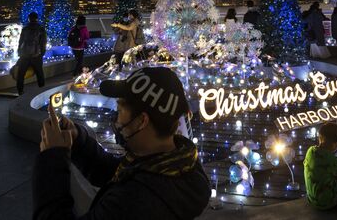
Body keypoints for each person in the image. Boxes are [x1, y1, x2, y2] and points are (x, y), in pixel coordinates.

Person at [33, 67, 211, 219]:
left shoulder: (135, 200)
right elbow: (115, 171)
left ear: (142, 121)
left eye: (119, 110)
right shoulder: (177, 164)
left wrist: (52, 160)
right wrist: (78, 140)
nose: (116, 119)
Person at [16, 12, 47, 95]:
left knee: (21, 74)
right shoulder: (41, 29)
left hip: (25, 54)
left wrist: (19, 52)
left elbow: (21, 41)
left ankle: (20, 91)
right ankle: (42, 91)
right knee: (39, 73)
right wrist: (42, 53)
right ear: (37, 18)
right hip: (36, 55)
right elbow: (43, 43)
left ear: (29, 18)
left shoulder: (25, 29)